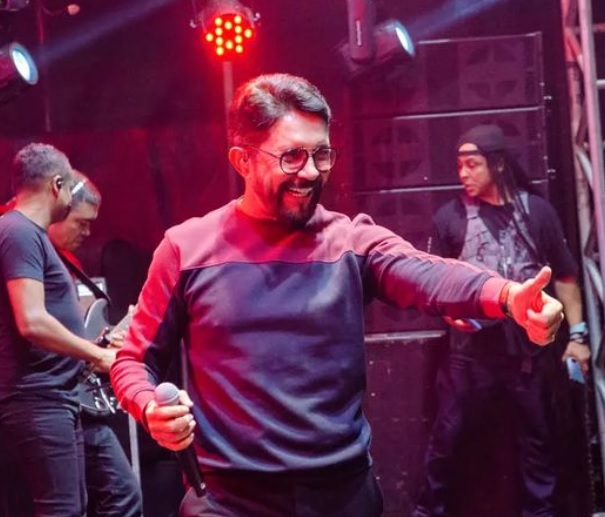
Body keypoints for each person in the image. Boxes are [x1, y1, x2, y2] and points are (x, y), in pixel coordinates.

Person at [110, 74, 564, 517]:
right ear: (242, 160)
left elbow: (426, 273)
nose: (310, 172)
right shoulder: (186, 249)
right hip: (229, 500)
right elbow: (132, 360)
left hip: (342, 495)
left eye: (321, 154)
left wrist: (507, 296)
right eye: (292, 156)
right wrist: (150, 408)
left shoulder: (349, 241)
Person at [414, 124, 591, 517]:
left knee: (538, 446)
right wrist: (453, 317)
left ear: (496, 164)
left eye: (472, 164)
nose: (463, 173)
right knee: (446, 444)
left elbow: (565, 276)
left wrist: (578, 337)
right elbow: (432, 287)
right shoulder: (450, 218)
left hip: (527, 355)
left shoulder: (536, 212)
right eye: (459, 165)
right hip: (469, 357)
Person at [0, 143, 116, 516]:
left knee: (71, 507)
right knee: (62, 510)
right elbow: (31, 321)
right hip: (38, 398)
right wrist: (97, 354)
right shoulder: (17, 231)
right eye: (69, 188)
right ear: (57, 185)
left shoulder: (29, 234)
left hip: (54, 397)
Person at [48, 170, 143, 517]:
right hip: (51, 401)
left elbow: (65, 330)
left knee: (119, 496)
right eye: (81, 222)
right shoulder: (21, 248)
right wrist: (95, 353)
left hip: (76, 399)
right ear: (57, 209)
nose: (88, 233)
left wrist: (104, 340)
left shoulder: (67, 262)